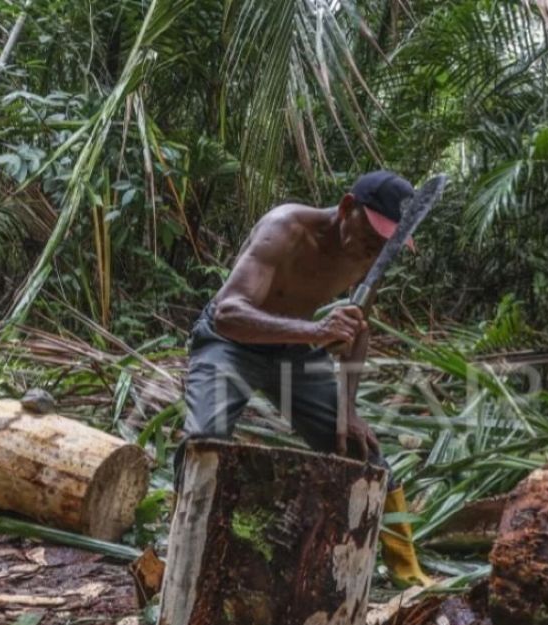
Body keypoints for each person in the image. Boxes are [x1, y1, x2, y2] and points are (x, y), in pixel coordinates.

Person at [176, 170, 430, 585]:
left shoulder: (370, 253)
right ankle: (187, 554)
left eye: (386, 243)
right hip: (230, 342)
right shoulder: (286, 229)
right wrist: (314, 332)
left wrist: (348, 409)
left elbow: (356, 326)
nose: (374, 249)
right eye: (371, 235)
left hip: (292, 347)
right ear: (347, 207)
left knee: (360, 449)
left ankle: (407, 569)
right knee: (204, 443)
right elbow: (229, 314)